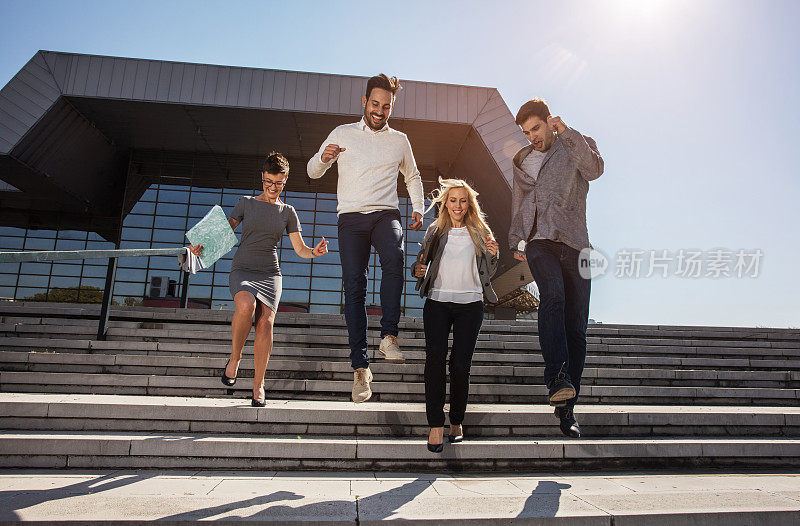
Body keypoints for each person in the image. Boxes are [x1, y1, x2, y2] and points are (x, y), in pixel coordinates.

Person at [307, 74, 425, 403]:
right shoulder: (342, 134)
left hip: (385, 213)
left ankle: (389, 336)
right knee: (355, 285)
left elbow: (412, 176)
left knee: (394, 257)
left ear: (391, 108)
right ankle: (360, 368)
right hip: (351, 218)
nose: (380, 111)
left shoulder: (400, 140)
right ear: (364, 102)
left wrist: (418, 207)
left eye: (386, 106)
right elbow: (311, 172)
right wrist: (323, 159)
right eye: (375, 104)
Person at [190, 152, 329, 406]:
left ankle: (258, 386)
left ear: (285, 181)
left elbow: (299, 248)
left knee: (266, 323)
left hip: (270, 273)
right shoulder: (245, 203)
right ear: (262, 177)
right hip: (243, 268)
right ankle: (235, 357)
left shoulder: (288, 212)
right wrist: (200, 247)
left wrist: (314, 252)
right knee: (246, 305)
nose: (272, 187)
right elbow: (222, 233)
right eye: (268, 181)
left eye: (277, 183)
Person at [508, 99, 603, 438]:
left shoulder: (575, 143)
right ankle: (556, 377)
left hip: (576, 242)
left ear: (549, 122)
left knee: (577, 328)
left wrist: (567, 132)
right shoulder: (522, 160)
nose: (531, 136)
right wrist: (517, 239)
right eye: (526, 132)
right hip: (540, 241)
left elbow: (594, 170)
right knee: (553, 298)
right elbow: (519, 201)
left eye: (535, 128)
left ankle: (567, 409)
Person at [411, 178, 499, 452]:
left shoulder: (481, 231)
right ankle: (436, 425)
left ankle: (456, 421)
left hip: (470, 304)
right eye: (452, 200)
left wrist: (495, 255)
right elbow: (422, 262)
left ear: (469, 204)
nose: (457, 205)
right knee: (434, 363)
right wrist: (417, 269)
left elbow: (489, 269)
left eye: (462, 200)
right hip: (437, 302)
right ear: (445, 204)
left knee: (460, 366)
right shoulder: (434, 231)